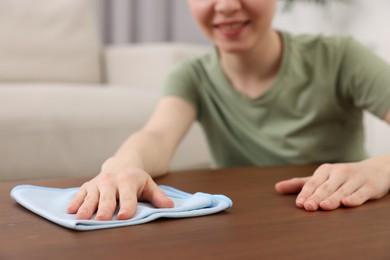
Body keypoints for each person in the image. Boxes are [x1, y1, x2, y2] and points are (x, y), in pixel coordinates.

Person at [67, 0, 390, 221]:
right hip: (240, 222)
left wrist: (379, 169)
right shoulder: (191, 76)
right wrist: (123, 164)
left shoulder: (341, 58)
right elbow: (157, 136)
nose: (225, 6)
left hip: (340, 218)